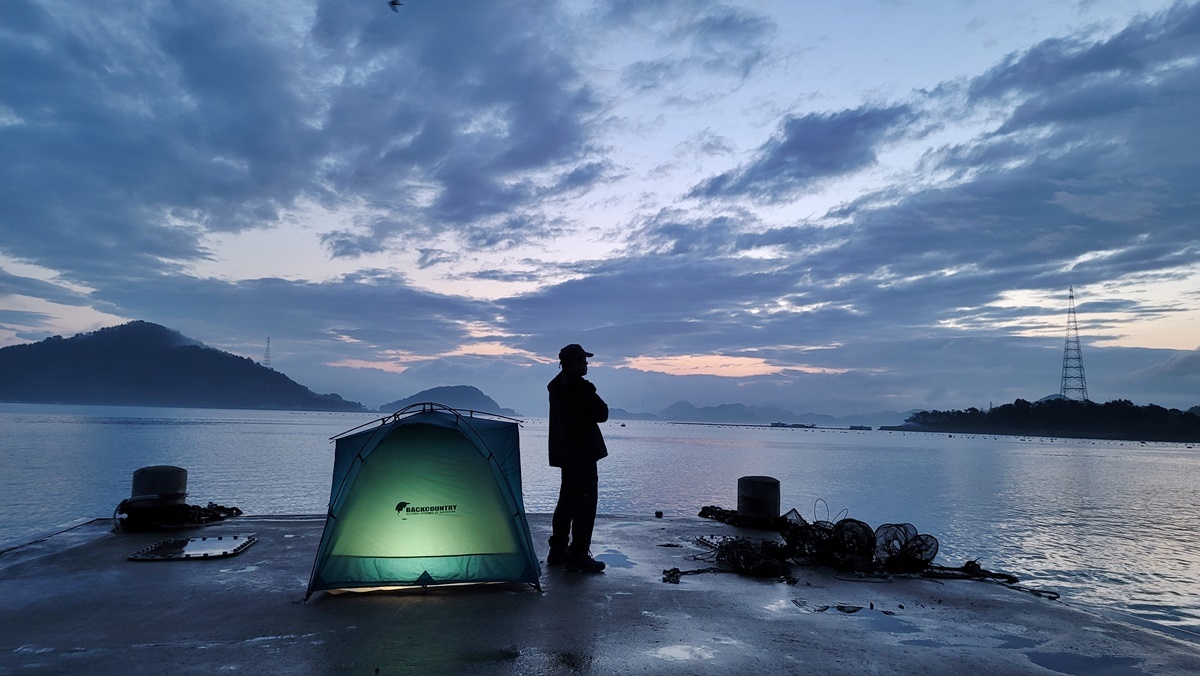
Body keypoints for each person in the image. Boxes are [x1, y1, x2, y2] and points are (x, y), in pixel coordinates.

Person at [546, 343, 608, 573]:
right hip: (583, 452)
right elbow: (602, 413)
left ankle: (558, 549)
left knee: (566, 501)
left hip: (566, 453)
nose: (587, 364)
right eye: (584, 359)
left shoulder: (556, 387)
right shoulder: (579, 387)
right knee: (585, 504)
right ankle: (579, 554)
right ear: (575, 362)